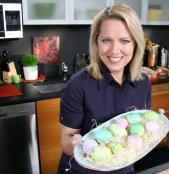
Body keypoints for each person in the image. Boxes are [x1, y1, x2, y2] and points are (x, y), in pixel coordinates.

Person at [58, 3, 153, 174]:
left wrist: (153, 127)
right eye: (106, 40)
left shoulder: (143, 82)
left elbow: (138, 128)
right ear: (96, 42)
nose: (114, 50)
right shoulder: (77, 85)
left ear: (135, 44)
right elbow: (66, 138)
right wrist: (74, 145)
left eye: (124, 41)